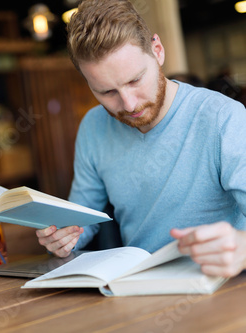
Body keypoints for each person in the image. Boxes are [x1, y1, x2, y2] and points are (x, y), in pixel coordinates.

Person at [37, 0, 246, 278]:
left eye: (135, 80)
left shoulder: (223, 117)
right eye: (106, 92)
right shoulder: (93, 127)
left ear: (157, 51)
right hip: (137, 287)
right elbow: (81, 222)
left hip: (219, 284)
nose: (129, 104)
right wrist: (61, 237)